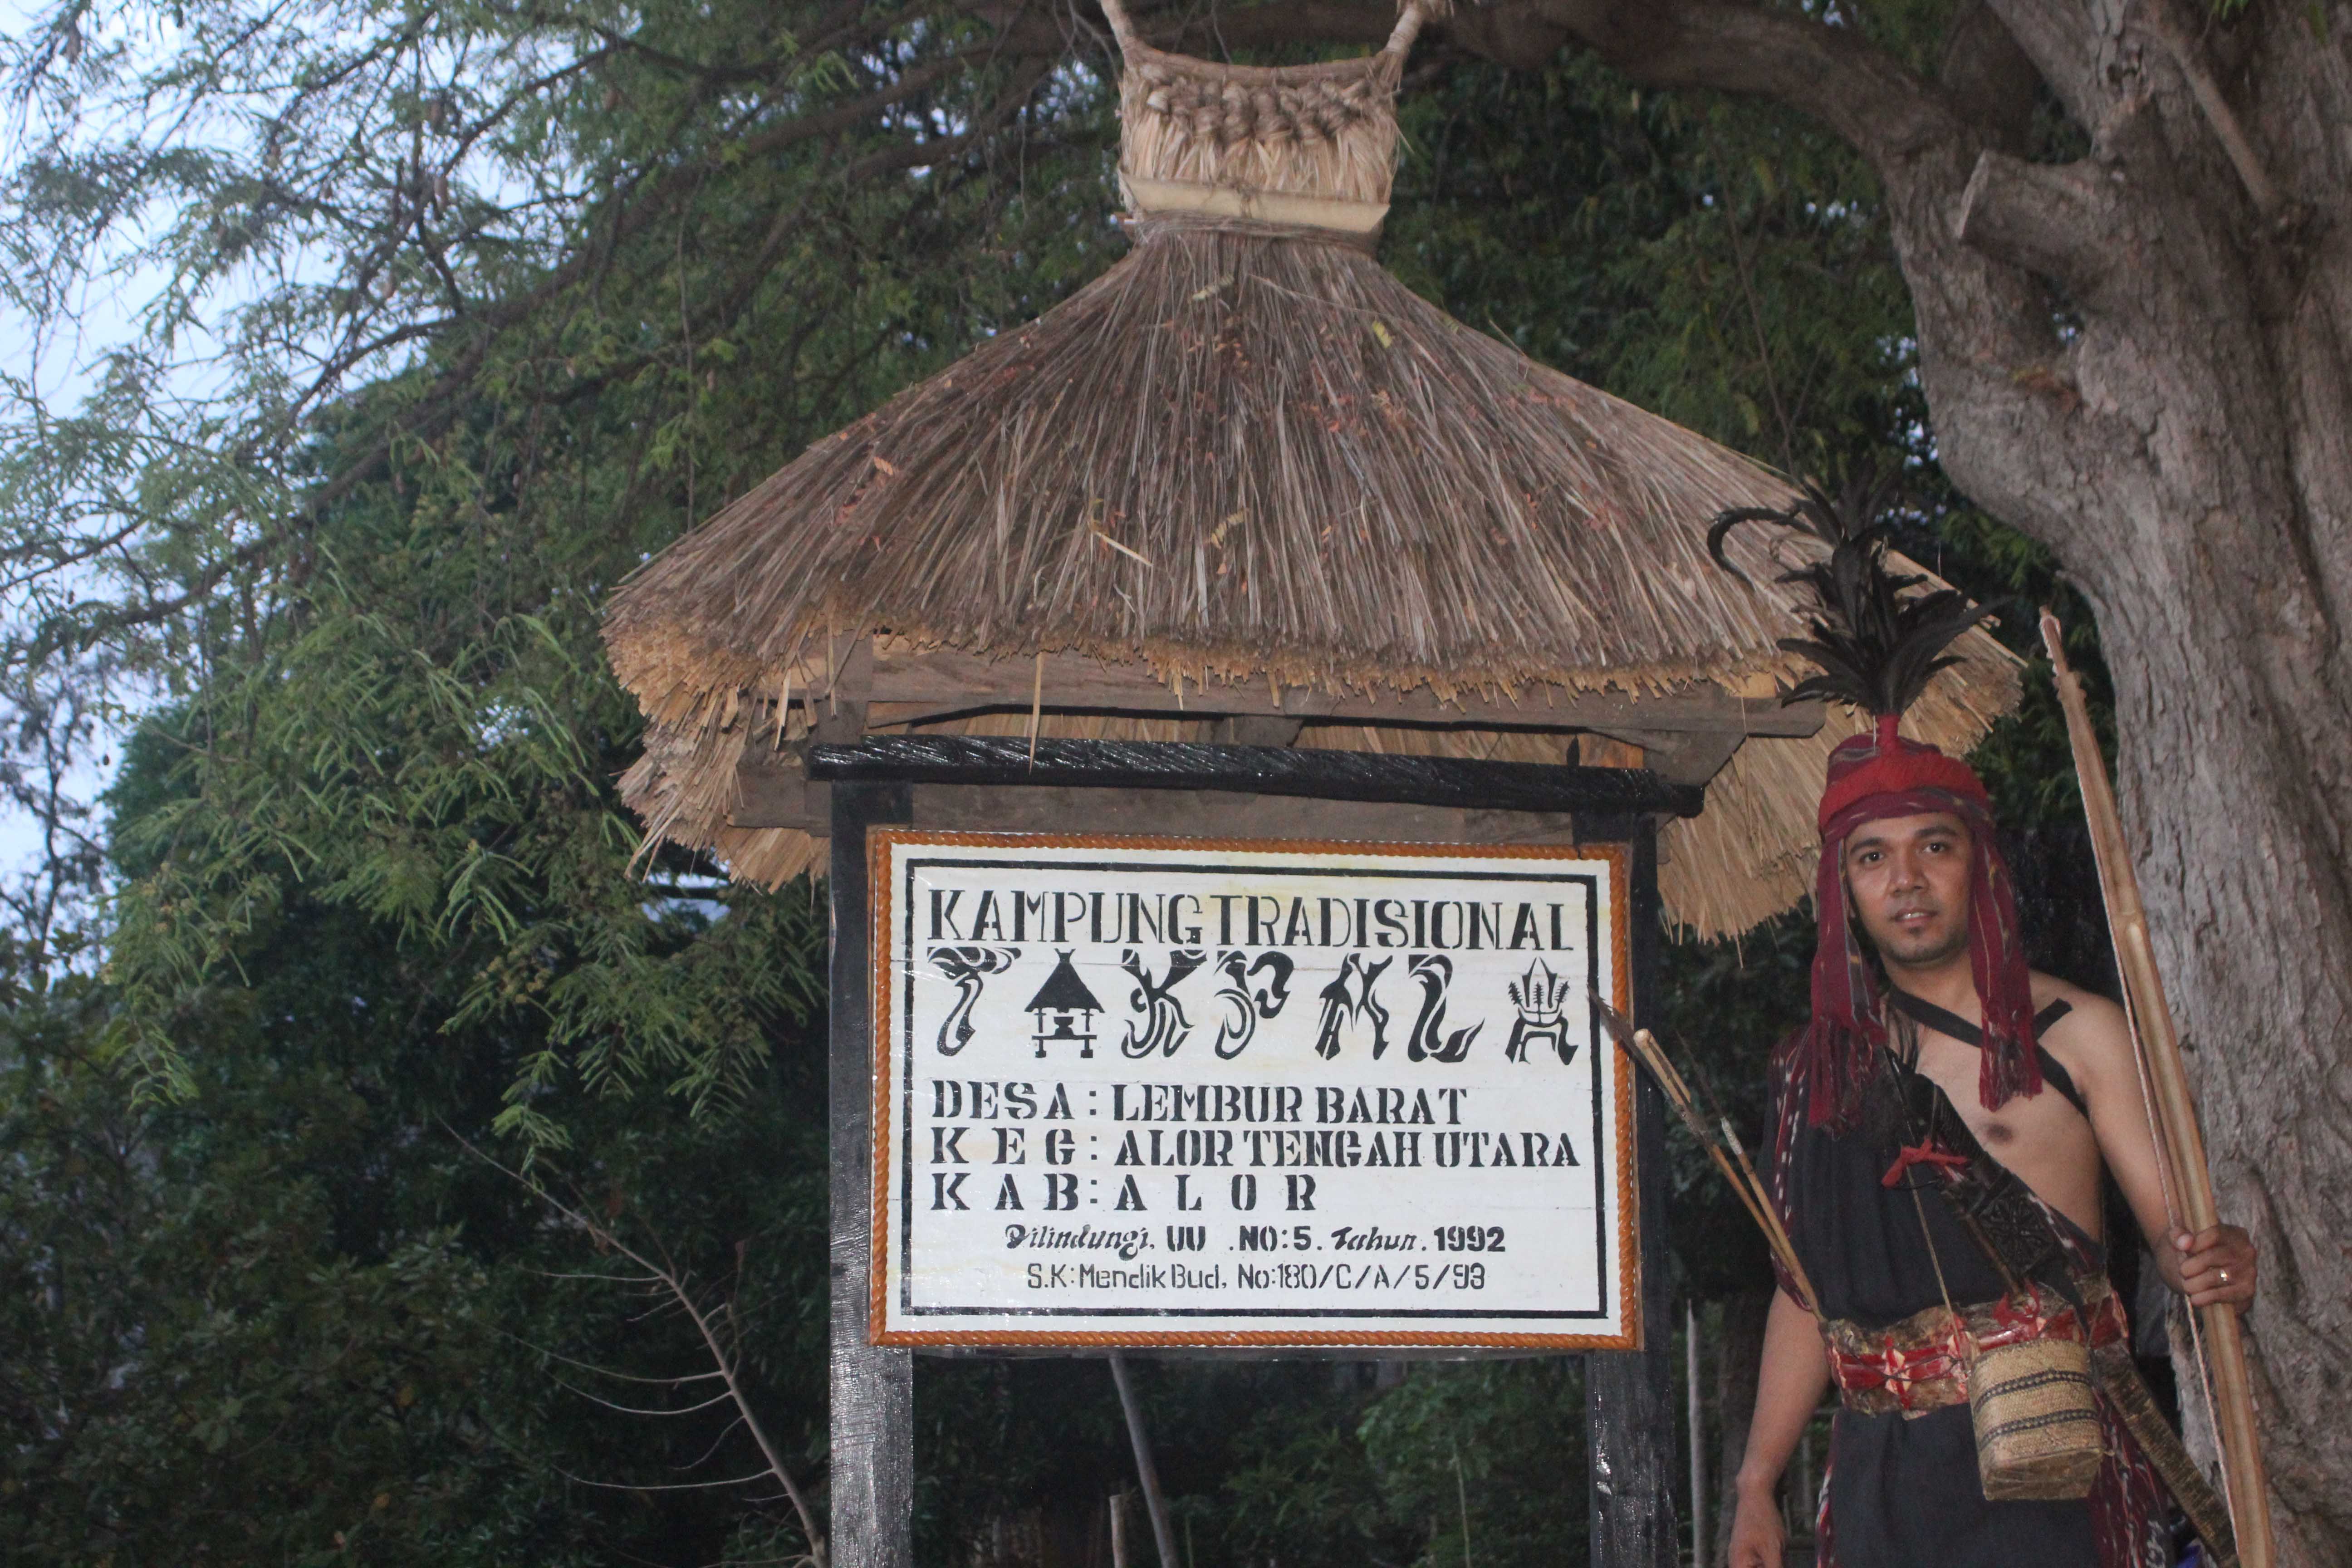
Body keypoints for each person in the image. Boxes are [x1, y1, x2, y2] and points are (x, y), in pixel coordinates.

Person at [1706, 484, 2257, 1568]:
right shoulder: (1813, 1070)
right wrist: (1759, 1483)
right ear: (1844, 893)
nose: (1905, 882)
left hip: (2048, 1474)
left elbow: (2184, 1246)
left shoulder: (2080, 1034)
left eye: (1934, 849)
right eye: (1873, 859)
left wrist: (2221, 1262)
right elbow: (1803, 1296)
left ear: (1979, 868)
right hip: (1879, 1484)